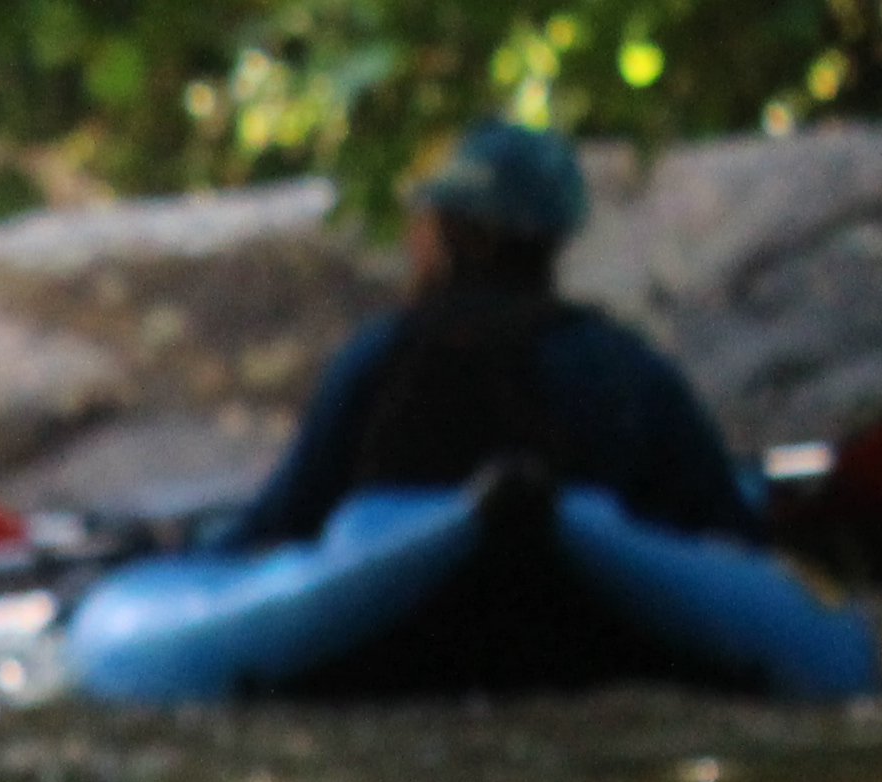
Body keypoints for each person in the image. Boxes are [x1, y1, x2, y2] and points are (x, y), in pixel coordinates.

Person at [224, 121, 759, 551]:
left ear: (455, 236)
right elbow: (729, 529)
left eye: (425, 221)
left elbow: (277, 526)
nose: (413, 238)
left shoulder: (377, 359)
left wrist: (171, 553)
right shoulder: (623, 367)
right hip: (581, 627)